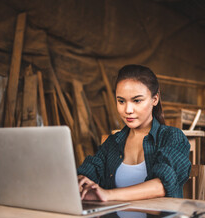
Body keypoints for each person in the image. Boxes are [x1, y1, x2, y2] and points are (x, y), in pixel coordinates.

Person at [77, 64, 191, 201]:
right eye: (121, 101)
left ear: (155, 99)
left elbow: (162, 185)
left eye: (137, 100)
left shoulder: (172, 137)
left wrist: (108, 194)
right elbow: (89, 171)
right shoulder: (113, 143)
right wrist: (79, 180)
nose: (128, 110)